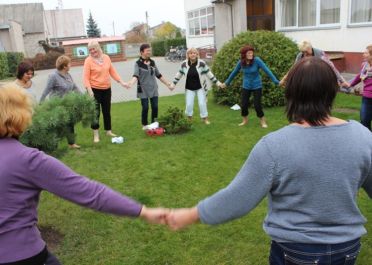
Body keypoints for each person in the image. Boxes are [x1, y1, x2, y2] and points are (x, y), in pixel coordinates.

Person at [166, 57, 372, 265]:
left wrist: (190, 215)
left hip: (296, 250)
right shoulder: (363, 136)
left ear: (291, 92)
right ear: (332, 90)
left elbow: (237, 198)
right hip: (346, 249)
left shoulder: (274, 146)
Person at [0, 84, 169, 265]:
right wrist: (143, 211)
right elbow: (89, 192)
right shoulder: (27, 160)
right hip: (22, 255)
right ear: (18, 114)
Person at [222, 45, 279, 128]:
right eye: (249, 53)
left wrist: (276, 81)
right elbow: (234, 73)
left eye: (252, 53)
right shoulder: (241, 62)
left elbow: (267, 70)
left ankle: (262, 120)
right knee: (244, 104)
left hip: (257, 85)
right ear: (244, 54)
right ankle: (245, 120)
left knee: (257, 105)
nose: (251, 54)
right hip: (246, 86)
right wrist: (226, 83)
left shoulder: (257, 60)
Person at [83, 40, 128, 143]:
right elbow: (85, 78)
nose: (92, 51)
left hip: (107, 89)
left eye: (93, 49)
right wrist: (90, 91)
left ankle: (108, 131)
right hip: (94, 90)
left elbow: (112, 71)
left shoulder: (106, 58)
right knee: (95, 113)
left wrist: (121, 82)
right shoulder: (88, 61)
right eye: (90, 50)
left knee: (107, 111)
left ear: (98, 47)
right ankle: (96, 135)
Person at [171, 47, 224, 125]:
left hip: (200, 88)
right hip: (189, 88)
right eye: (191, 53)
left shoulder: (202, 63)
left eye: (194, 53)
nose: (193, 54)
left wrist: (218, 83)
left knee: (202, 103)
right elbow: (178, 75)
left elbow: (209, 74)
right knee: (189, 104)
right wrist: (173, 84)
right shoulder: (183, 64)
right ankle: (189, 119)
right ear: (188, 55)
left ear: (197, 54)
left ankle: (205, 118)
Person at [126, 44, 173, 129]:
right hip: (143, 89)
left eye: (149, 50)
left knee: (155, 107)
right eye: (147, 50)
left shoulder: (152, 62)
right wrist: (131, 83)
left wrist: (168, 84)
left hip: (153, 88)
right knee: (145, 107)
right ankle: (144, 124)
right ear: (141, 52)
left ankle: (154, 124)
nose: (149, 52)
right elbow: (135, 75)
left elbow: (158, 75)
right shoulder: (138, 63)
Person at [40, 55, 82, 149]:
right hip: (57, 105)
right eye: (69, 64)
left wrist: (83, 97)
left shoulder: (68, 75)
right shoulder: (53, 76)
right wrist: (40, 103)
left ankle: (71, 144)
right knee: (57, 126)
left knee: (70, 123)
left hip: (67, 104)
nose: (70, 65)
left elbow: (74, 87)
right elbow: (46, 90)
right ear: (64, 66)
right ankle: (52, 144)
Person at [280, 40, 349, 88]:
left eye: (306, 52)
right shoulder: (300, 56)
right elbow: (293, 69)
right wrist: (284, 79)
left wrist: (342, 80)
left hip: (319, 80)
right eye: (303, 52)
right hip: (306, 81)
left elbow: (332, 68)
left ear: (311, 48)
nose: (305, 54)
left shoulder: (320, 54)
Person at [348, 45, 372, 131]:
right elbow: (359, 76)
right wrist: (350, 84)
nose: (363, 54)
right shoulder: (364, 65)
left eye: (366, 53)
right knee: (364, 121)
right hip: (367, 98)